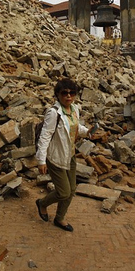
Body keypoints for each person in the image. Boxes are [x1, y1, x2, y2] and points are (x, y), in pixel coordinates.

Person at [35, 78, 98, 232]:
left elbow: (75, 127)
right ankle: (42, 203)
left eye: (72, 93)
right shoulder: (53, 113)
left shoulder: (75, 109)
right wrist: (41, 160)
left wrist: (87, 132)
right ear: (58, 94)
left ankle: (60, 218)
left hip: (70, 155)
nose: (68, 96)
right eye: (64, 93)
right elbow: (45, 137)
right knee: (63, 192)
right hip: (55, 157)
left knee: (72, 190)